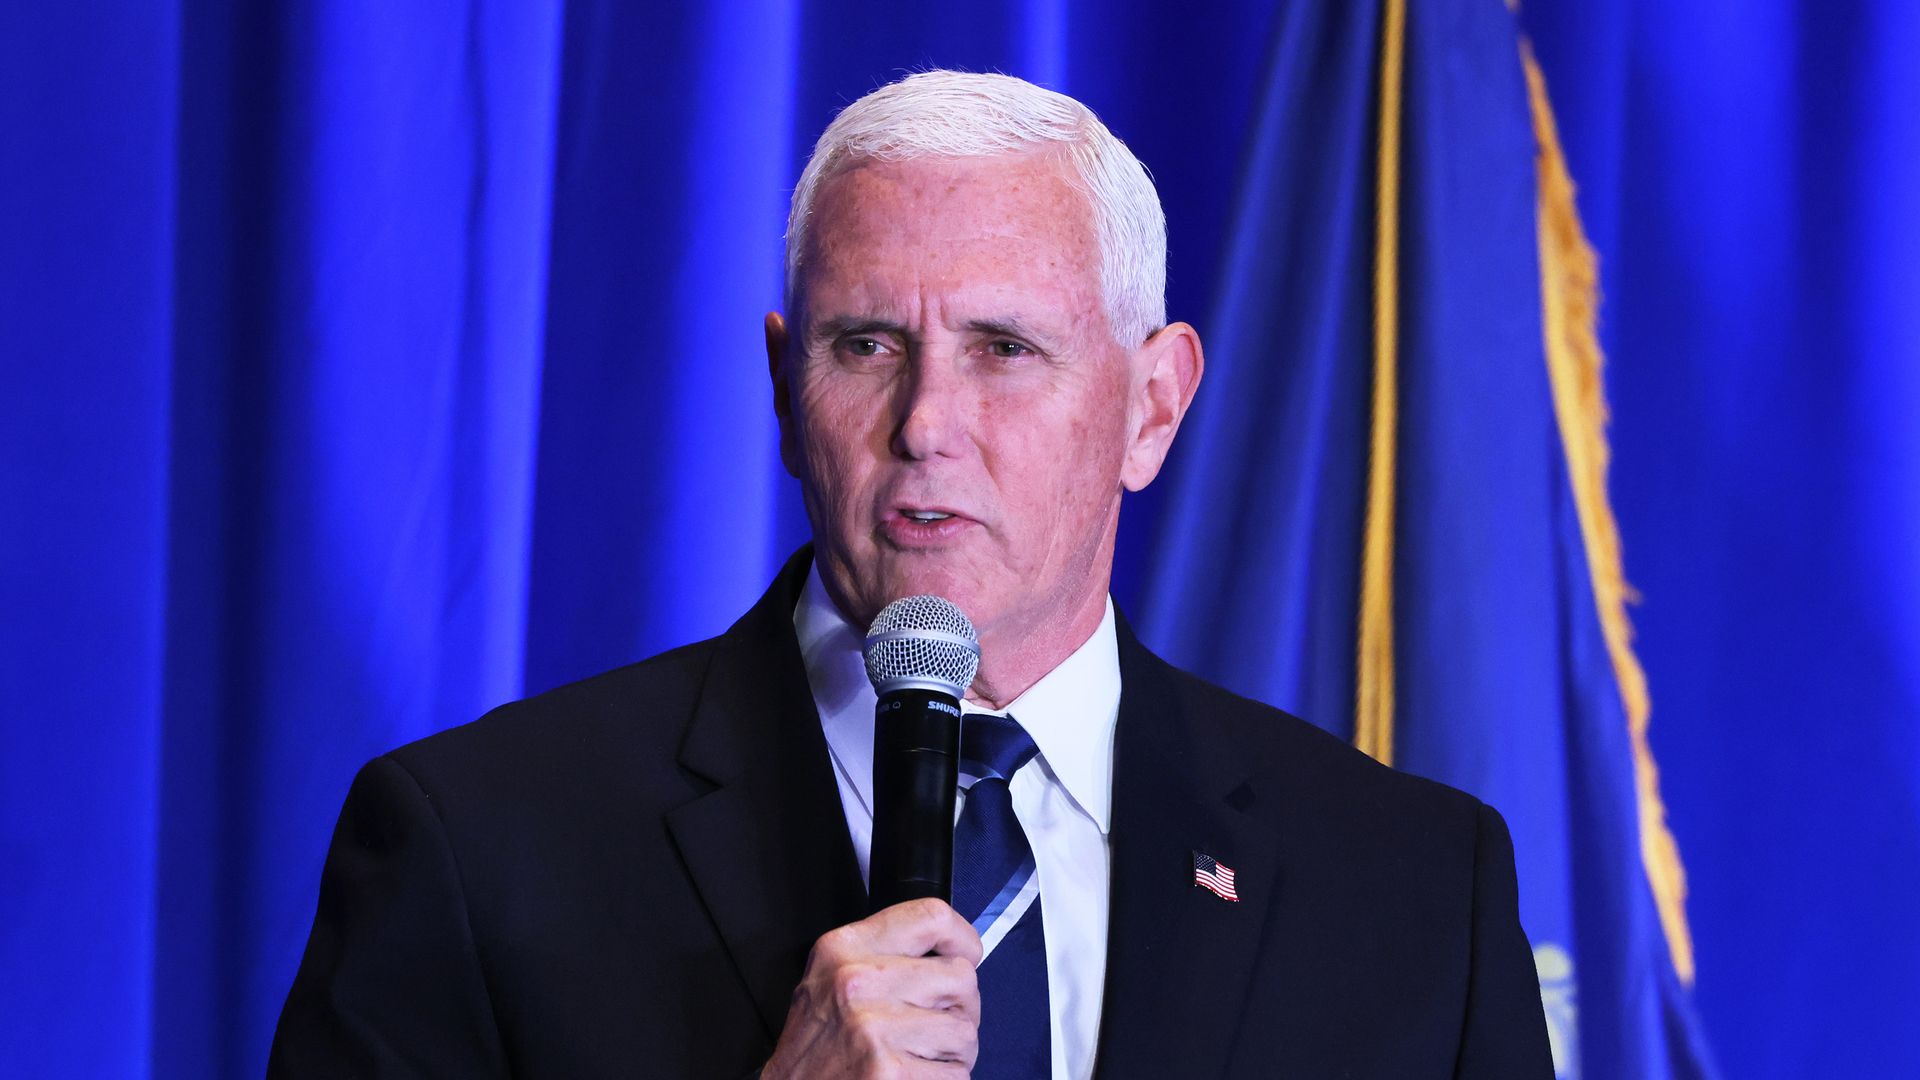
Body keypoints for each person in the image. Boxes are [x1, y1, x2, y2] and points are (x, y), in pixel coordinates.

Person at [270, 71, 1553, 1078]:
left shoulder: (1414, 893)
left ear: (1153, 407)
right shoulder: (478, 847)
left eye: (1005, 346)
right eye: (868, 343)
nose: (927, 422)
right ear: (785, 387)